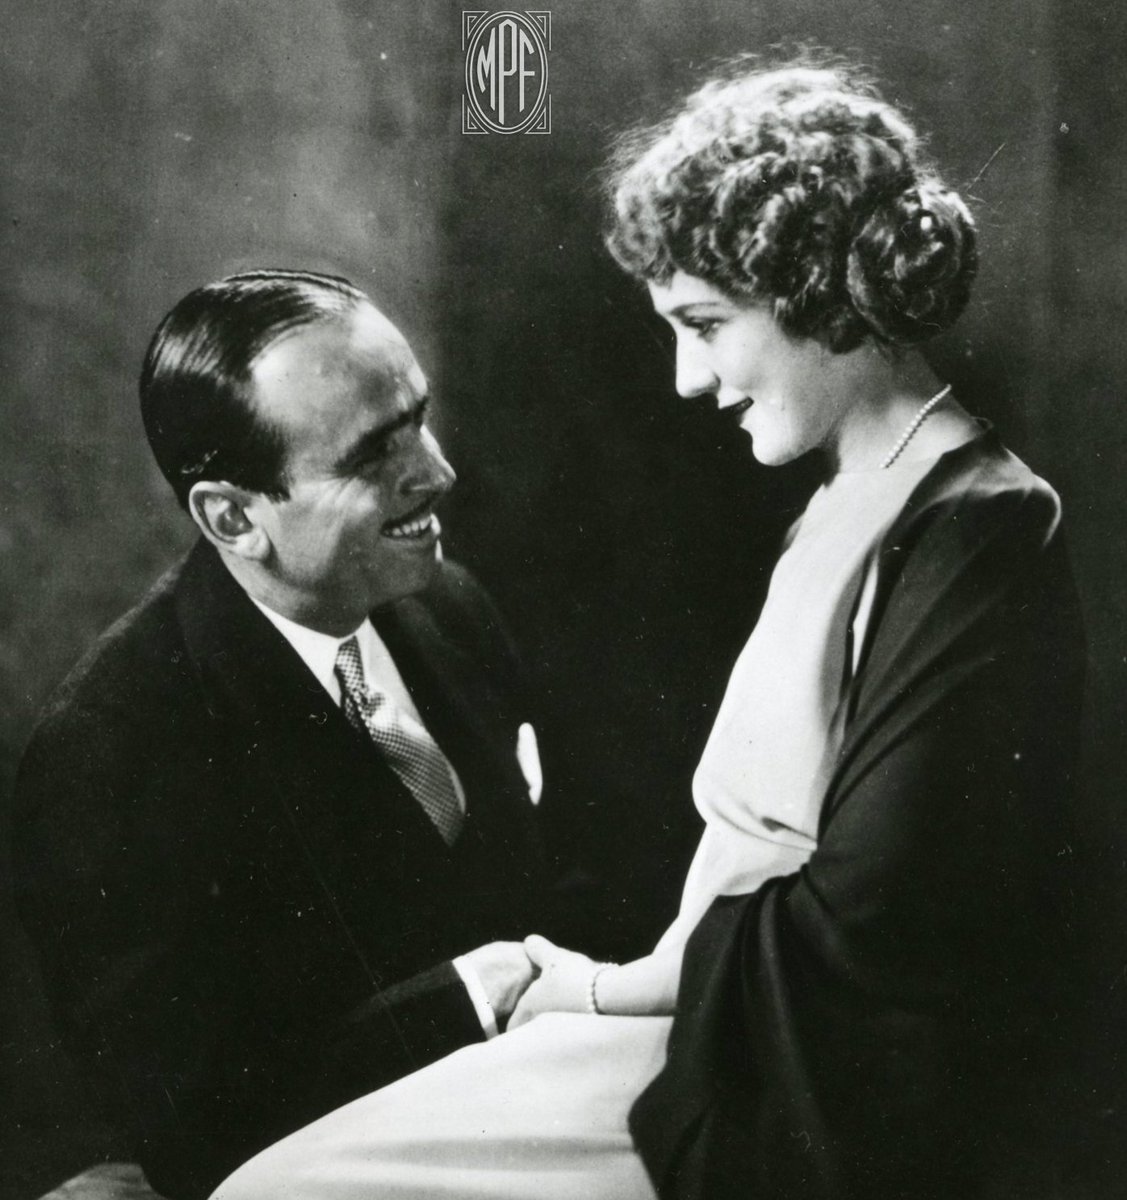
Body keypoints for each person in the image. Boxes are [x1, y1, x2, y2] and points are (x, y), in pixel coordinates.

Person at [210, 61, 1086, 1200]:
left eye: (705, 324)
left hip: (770, 1073)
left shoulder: (979, 525)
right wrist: (601, 990)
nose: (684, 377)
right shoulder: (844, 497)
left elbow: (866, 926)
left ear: (821, 291)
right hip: (688, 1017)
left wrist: (590, 995)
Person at [13, 270, 549, 1200]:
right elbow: (202, 1127)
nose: (437, 471)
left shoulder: (448, 607)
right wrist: (472, 996)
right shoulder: (111, 756)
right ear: (232, 516)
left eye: (418, 418)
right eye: (372, 456)